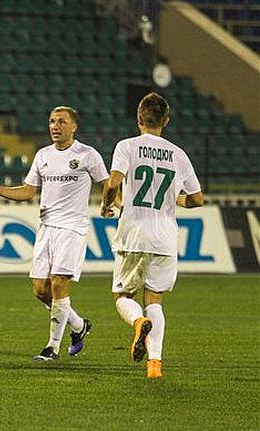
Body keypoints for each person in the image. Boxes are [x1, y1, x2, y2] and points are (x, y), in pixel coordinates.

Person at [0, 106, 108, 361]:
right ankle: (79, 325)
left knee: (59, 282)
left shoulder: (87, 154)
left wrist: (112, 204)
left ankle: (52, 347)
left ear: (74, 126)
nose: (55, 126)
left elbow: (108, 183)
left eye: (61, 122)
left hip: (72, 227)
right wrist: (1, 190)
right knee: (41, 289)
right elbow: (29, 190)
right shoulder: (43, 155)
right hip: (46, 226)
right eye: (52, 121)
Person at [100, 92, 203, 379]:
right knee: (154, 299)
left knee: (123, 296)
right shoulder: (178, 154)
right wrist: (173, 198)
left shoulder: (127, 146)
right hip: (165, 238)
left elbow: (113, 183)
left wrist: (107, 203)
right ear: (165, 121)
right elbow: (197, 199)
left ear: (139, 118)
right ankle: (155, 364)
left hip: (134, 233)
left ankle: (137, 322)